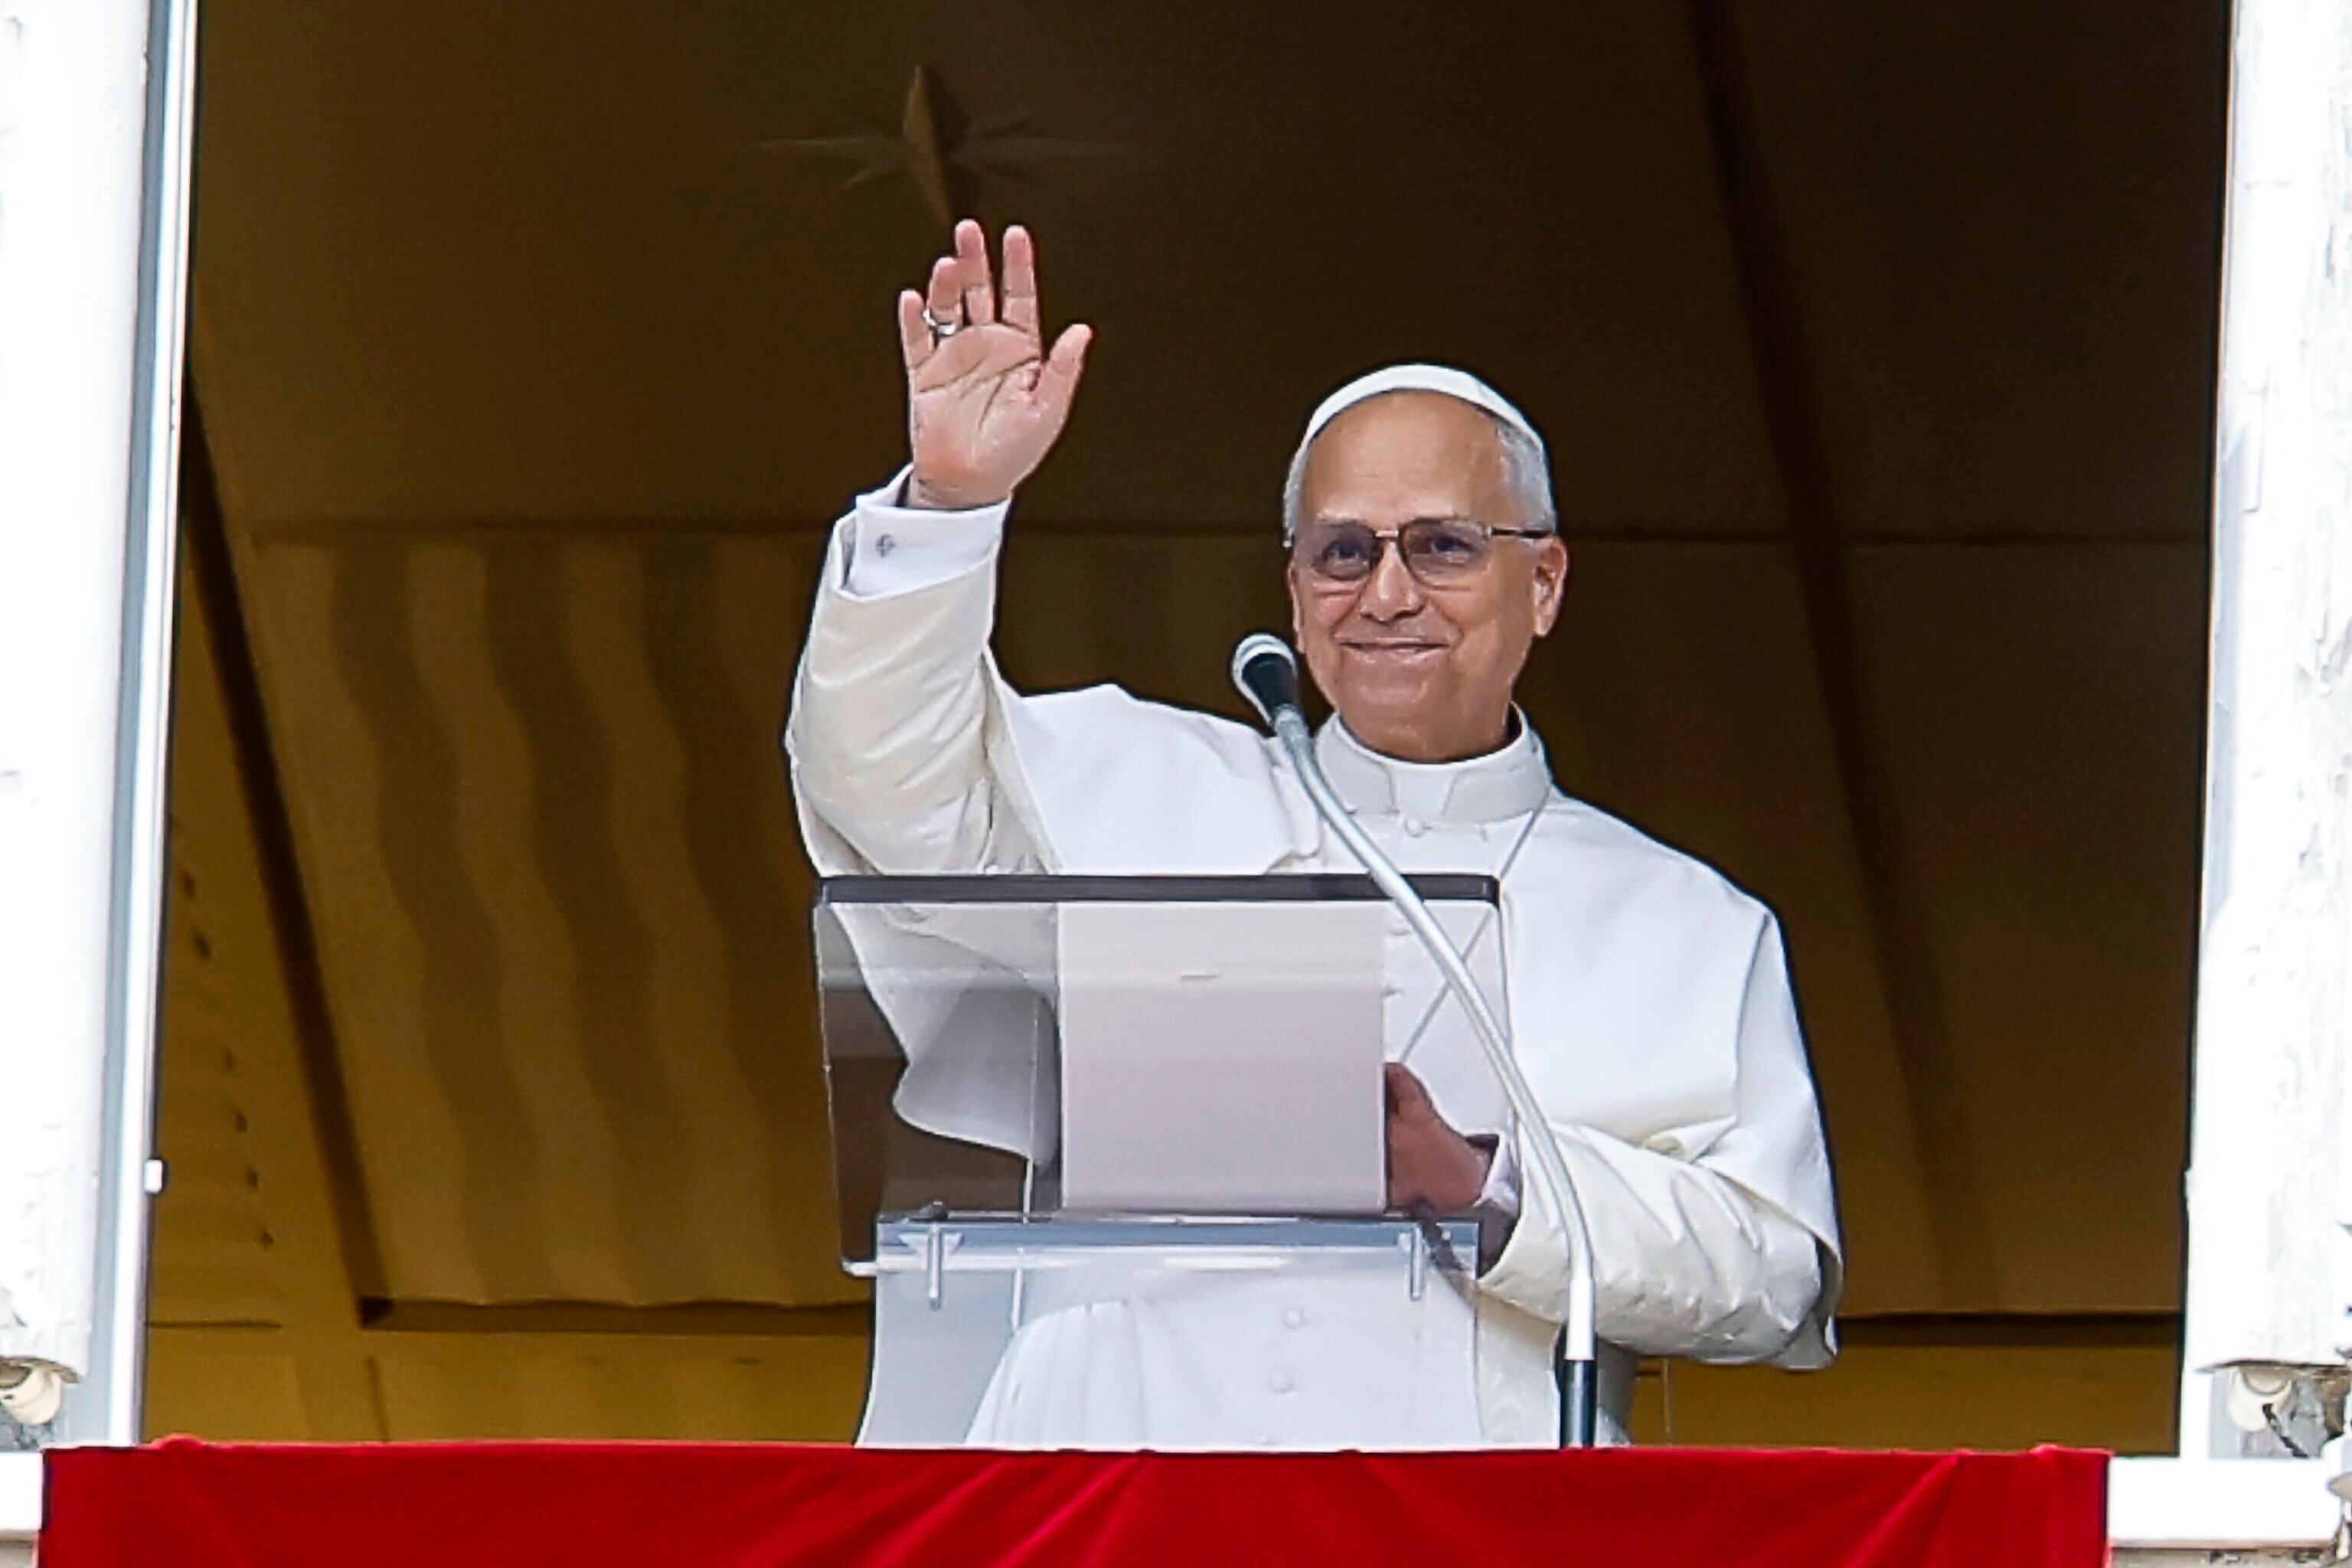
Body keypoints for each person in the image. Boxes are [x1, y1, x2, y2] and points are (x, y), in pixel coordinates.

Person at [787, 220, 1841, 1447]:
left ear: (1543, 582)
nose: (1386, 594)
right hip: (1110, 1474)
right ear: (1295, 590)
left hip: (1463, 1502)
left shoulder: (1684, 925)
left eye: (1444, 546)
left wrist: (1488, 1188)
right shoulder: (1136, 779)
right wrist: (953, 509)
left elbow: (1777, 1274)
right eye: (1344, 552)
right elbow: (883, 789)